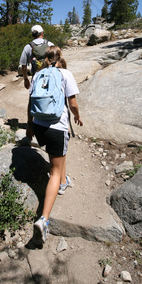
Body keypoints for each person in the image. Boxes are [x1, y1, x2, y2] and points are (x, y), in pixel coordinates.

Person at [26, 46, 83, 245]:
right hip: (57, 126)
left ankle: (64, 181)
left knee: (57, 155)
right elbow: (73, 103)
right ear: (61, 58)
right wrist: (77, 117)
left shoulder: (38, 75)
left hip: (40, 125)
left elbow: (29, 102)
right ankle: (43, 219)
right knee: (54, 170)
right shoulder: (65, 74)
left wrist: (30, 126)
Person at [19, 25, 54, 89]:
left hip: (36, 77)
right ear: (42, 33)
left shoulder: (27, 47)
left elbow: (23, 66)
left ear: (32, 35)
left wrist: (26, 79)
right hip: (51, 76)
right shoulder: (50, 44)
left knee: (33, 95)